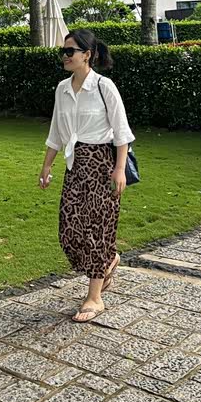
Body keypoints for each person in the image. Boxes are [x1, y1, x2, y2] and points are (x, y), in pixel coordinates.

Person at [39, 28, 135, 323]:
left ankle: (94, 297)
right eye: (63, 51)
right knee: (69, 232)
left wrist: (119, 169)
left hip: (102, 165)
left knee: (96, 231)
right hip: (74, 166)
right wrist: (46, 166)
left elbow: (121, 132)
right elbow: (56, 132)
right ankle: (109, 260)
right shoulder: (62, 89)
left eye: (70, 51)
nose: (65, 56)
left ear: (87, 55)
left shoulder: (104, 87)